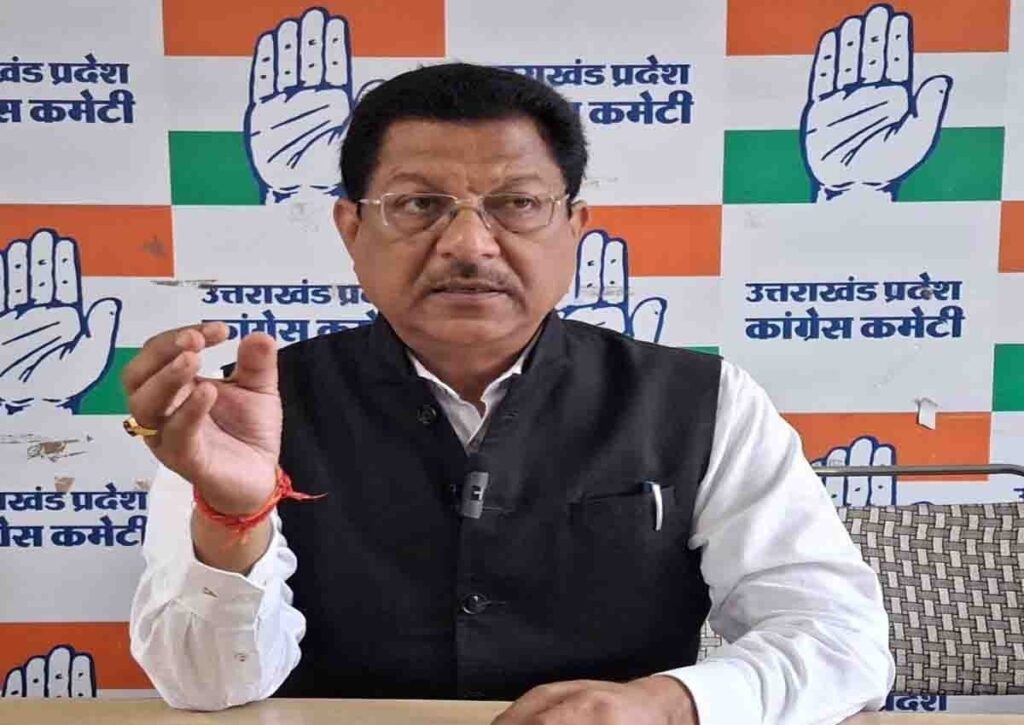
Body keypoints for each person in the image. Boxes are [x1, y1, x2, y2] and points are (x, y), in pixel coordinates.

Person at [125, 63, 894, 724]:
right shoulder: (239, 417)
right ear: (351, 228)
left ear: (575, 226)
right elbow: (206, 689)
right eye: (418, 205)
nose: (468, 244)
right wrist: (232, 518)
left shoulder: (703, 401)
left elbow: (840, 639)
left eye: (517, 204)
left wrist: (669, 703)